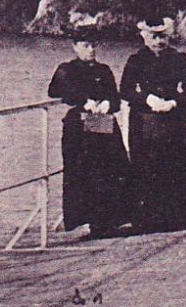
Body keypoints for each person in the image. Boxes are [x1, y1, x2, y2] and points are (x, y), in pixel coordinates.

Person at [120, 14, 186, 232]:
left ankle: (182, 216)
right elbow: (125, 90)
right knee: (147, 166)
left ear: (168, 37)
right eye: (154, 37)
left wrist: (174, 101)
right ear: (144, 37)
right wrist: (147, 99)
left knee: (177, 165)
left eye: (162, 37)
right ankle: (149, 219)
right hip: (144, 121)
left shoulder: (180, 59)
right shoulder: (135, 60)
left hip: (174, 119)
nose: (158, 42)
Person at [47, 25, 131, 238]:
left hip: (101, 121)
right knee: (82, 171)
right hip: (79, 126)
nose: (91, 49)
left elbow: (115, 98)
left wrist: (107, 105)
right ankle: (84, 221)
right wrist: (83, 101)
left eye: (93, 45)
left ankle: (108, 220)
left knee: (110, 168)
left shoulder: (103, 70)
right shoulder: (67, 69)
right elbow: (55, 90)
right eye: (85, 45)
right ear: (75, 47)